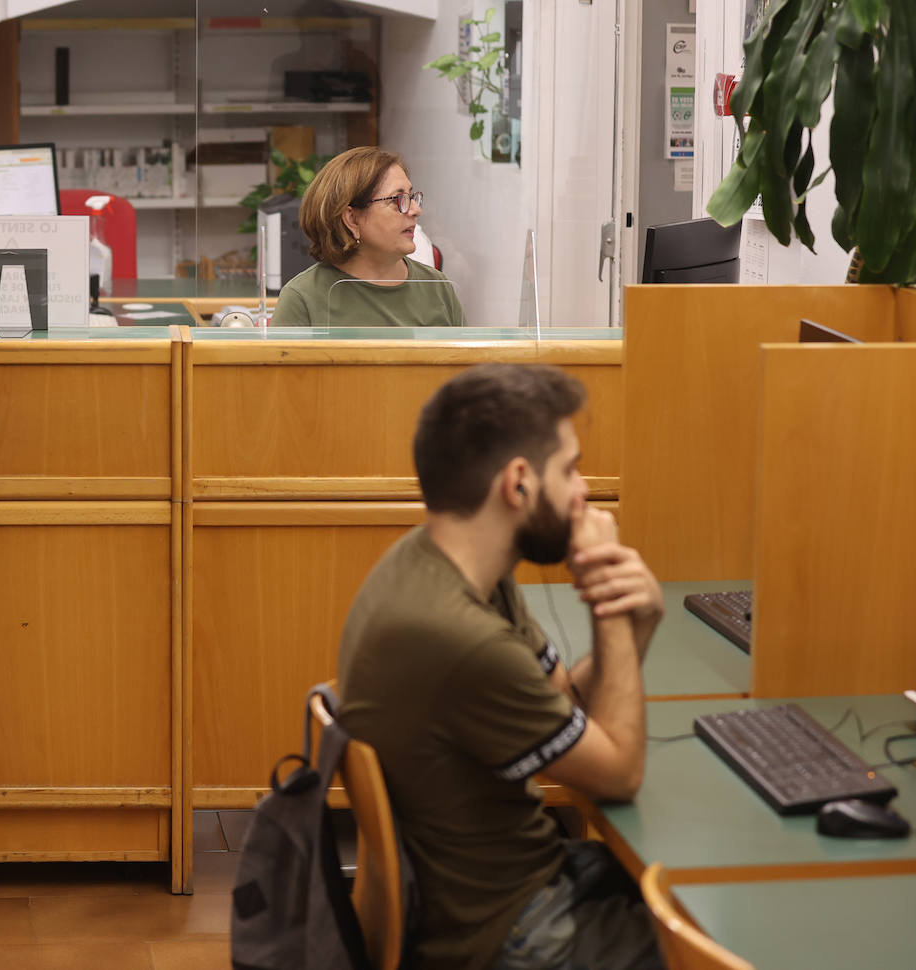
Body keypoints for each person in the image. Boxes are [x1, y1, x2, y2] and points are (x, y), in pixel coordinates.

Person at [338, 363, 665, 970]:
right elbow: (617, 773)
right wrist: (607, 602)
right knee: (733, 938)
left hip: (508, 889)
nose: (583, 491)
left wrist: (635, 622)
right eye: (568, 469)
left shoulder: (452, 566)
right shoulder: (456, 636)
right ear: (518, 483)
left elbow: (565, 702)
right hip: (510, 931)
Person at [272, 146, 466, 327]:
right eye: (398, 200)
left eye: (412, 197)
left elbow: (468, 362)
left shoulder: (438, 288)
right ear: (352, 219)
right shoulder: (303, 298)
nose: (416, 210)